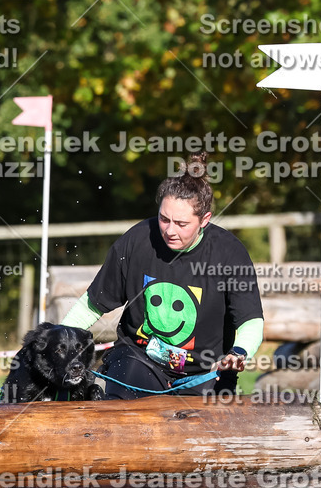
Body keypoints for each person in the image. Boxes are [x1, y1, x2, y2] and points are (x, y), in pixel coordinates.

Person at [60, 152, 264, 399]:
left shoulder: (229, 253)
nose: (169, 230)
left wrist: (238, 353)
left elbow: (250, 320)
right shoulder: (137, 241)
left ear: (205, 220)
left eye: (181, 223)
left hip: (206, 370)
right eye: (164, 219)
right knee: (123, 416)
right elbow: (92, 306)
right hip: (139, 360)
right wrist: (57, 341)